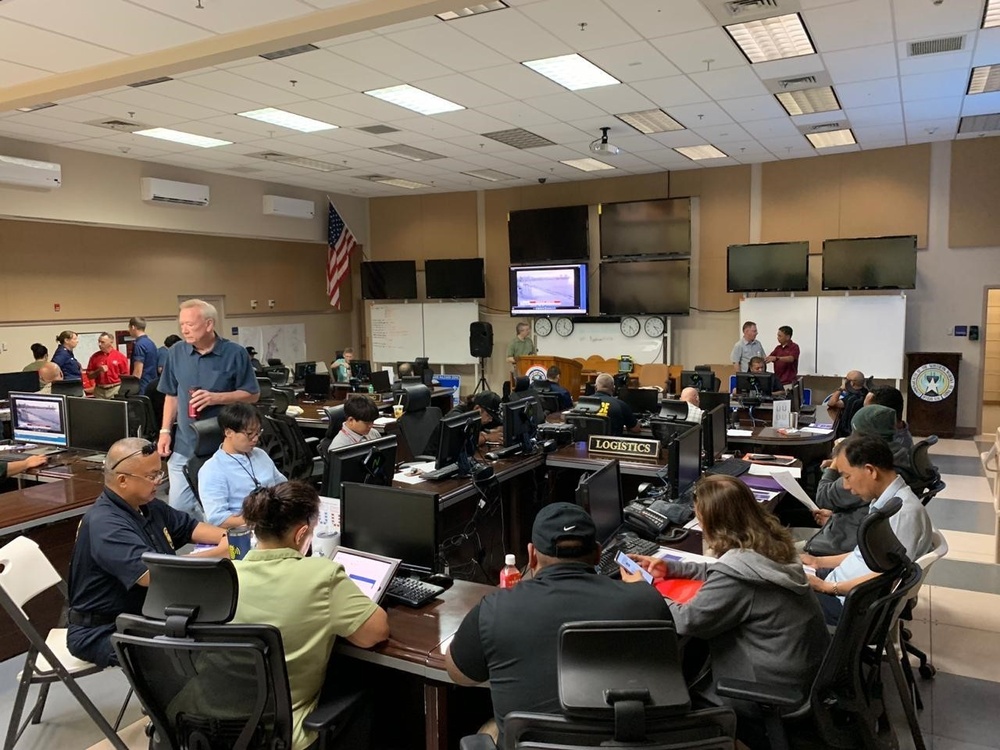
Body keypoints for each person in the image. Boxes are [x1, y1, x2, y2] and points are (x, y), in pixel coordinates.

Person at [445, 502, 671, 746]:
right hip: (623, 742)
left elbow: (458, 673)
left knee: (489, 728)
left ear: (531, 556)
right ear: (597, 553)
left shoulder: (494, 609)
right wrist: (636, 594)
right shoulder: (647, 601)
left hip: (532, 743)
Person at [629, 475, 828, 744]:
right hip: (798, 671)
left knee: (675, 680)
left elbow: (687, 621)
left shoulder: (738, 576)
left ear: (716, 524)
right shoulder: (774, 544)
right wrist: (673, 567)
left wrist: (644, 589)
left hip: (765, 690)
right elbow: (731, 569)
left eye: (701, 519)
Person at [233, 481, 390, 750]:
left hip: (210, 725)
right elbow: (375, 634)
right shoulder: (321, 574)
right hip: (283, 733)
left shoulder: (225, 575)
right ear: (301, 533)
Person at [67, 438, 229, 668]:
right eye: (151, 476)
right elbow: (151, 575)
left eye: (159, 474)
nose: (158, 482)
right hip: (104, 629)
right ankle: (183, 703)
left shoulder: (146, 505)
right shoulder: (106, 524)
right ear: (122, 480)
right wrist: (220, 553)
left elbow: (191, 528)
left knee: (220, 629)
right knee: (195, 656)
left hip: (146, 615)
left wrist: (228, 539)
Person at [802, 434, 933, 626]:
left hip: (849, 605)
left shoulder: (902, 512)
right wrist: (818, 561)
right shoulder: (886, 501)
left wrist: (828, 587)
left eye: (847, 477)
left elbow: (887, 577)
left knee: (775, 597)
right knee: (781, 574)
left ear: (870, 470)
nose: (846, 486)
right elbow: (862, 555)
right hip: (840, 586)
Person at [158, 299, 260, 519]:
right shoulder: (176, 352)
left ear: (209, 324)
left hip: (221, 447)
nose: (184, 329)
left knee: (219, 512)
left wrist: (217, 398)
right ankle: (199, 546)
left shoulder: (235, 353)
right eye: (181, 324)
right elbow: (171, 394)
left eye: (190, 324)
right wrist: (165, 431)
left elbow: (252, 394)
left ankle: (218, 547)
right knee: (179, 509)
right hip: (185, 445)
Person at [801, 405, 918, 557]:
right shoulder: (896, 462)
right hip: (841, 543)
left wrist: (837, 462)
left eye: (847, 476)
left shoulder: (868, 477)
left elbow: (823, 497)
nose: (848, 485)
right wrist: (834, 518)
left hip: (833, 548)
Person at [198, 403, 287, 528]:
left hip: (276, 520)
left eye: (258, 433)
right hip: (245, 530)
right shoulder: (212, 470)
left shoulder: (260, 454)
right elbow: (218, 519)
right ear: (229, 432)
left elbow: (283, 486)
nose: (255, 439)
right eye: (250, 434)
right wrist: (263, 521)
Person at [427, 391, 502, 451]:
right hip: (433, 462)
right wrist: (487, 437)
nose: (490, 420)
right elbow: (463, 444)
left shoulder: (476, 415)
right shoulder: (456, 417)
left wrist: (491, 431)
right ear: (477, 408)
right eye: (489, 416)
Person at [865, 385, 913, 450]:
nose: (863, 413)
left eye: (867, 410)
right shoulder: (902, 433)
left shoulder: (885, 446)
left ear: (881, 414)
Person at [86, 332, 130, 399]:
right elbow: (89, 376)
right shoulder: (94, 357)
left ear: (110, 342)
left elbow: (126, 376)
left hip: (115, 389)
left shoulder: (120, 357)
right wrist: (99, 370)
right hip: (99, 390)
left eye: (102, 342)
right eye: (99, 342)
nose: (100, 344)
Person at [826, 370, 869, 439]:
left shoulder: (851, 399)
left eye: (846, 379)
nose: (844, 381)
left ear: (851, 383)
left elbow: (831, 403)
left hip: (846, 435)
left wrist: (841, 388)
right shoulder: (865, 393)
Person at [128, 316, 160, 394]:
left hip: (142, 386)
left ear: (133, 327)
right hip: (152, 384)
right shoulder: (151, 343)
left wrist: (131, 389)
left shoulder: (139, 344)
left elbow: (138, 371)